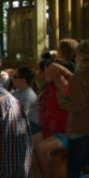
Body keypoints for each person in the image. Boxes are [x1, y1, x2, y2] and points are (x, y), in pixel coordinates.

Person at [47, 39, 89, 178]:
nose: (75, 58)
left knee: (73, 170)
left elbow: (79, 104)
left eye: (77, 55)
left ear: (82, 56)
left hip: (81, 130)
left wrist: (62, 98)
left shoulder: (79, 77)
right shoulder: (78, 77)